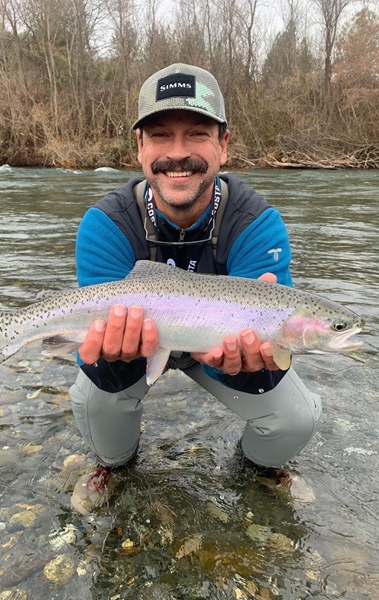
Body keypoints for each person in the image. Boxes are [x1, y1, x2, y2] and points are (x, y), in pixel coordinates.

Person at [69, 63, 321, 514]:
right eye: (161, 134)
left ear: (223, 145)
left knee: (296, 417)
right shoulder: (106, 226)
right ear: (140, 147)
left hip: (214, 347)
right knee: (94, 396)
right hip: (140, 348)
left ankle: (259, 471)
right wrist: (114, 356)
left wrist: (237, 366)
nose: (178, 153)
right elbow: (94, 359)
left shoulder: (257, 226)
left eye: (198, 134)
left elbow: (264, 363)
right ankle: (115, 466)